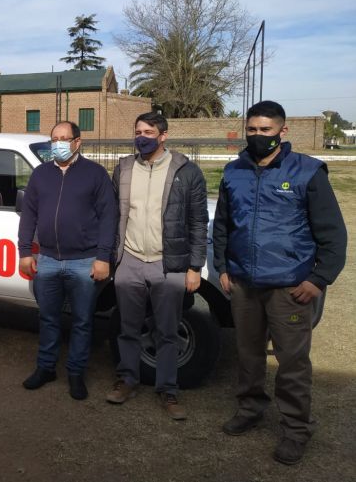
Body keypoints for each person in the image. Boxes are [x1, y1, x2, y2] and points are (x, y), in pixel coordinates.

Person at [213, 100, 347, 465]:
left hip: (290, 287)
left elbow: (333, 235)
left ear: (282, 131)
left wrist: (318, 279)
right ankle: (250, 408)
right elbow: (223, 226)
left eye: (265, 130)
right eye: (252, 130)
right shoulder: (233, 172)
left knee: (292, 362)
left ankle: (296, 428)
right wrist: (222, 266)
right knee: (249, 353)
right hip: (243, 283)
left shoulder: (307, 172)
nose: (258, 136)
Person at [105, 112, 208, 420]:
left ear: (163, 135)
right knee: (128, 327)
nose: (142, 136)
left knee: (167, 331)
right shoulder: (123, 168)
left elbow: (198, 223)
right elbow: (113, 214)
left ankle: (168, 389)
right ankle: (127, 379)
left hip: (169, 263)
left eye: (149, 132)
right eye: (138, 131)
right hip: (130, 260)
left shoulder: (187, 172)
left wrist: (195, 266)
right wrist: (113, 257)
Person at [18, 121, 118, 400]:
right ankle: (46, 367)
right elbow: (29, 216)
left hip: (84, 261)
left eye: (64, 138)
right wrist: (25, 252)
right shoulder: (40, 175)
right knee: (48, 317)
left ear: (77, 142)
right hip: (47, 259)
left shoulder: (95, 175)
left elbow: (109, 218)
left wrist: (103, 257)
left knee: (83, 321)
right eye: (54, 139)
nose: (58, 144)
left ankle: (76, 373)